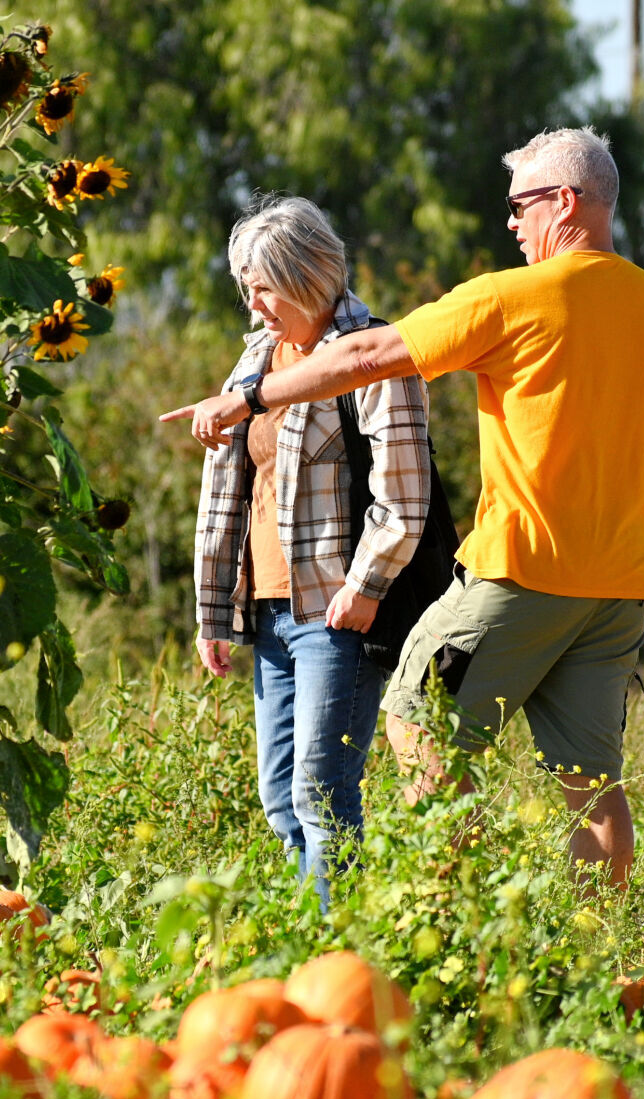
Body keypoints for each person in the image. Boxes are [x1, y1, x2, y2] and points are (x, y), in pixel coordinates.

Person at [165, 129, 644, 890]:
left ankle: (453, 911)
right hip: (615, 591)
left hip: (516, 574)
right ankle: (602, 942)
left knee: (416, 720)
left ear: (565, 201)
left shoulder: (511, 296)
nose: (511, 224)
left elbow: (363, 355)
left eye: (519, 205)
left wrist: (251, 395)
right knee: (592, 788)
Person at [190, 195, 431, 906]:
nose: (254, 304)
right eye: (246, 287)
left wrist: (367, 585)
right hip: (267, 610)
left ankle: (339, 949)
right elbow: (228, 492)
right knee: (279, 797)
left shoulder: (372, 353)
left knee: (322, 792)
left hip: (336, 612)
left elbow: (404, 492)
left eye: (262, 286)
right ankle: (312, 933)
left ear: (303, 275)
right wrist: (213, 613)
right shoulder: (256, 358)